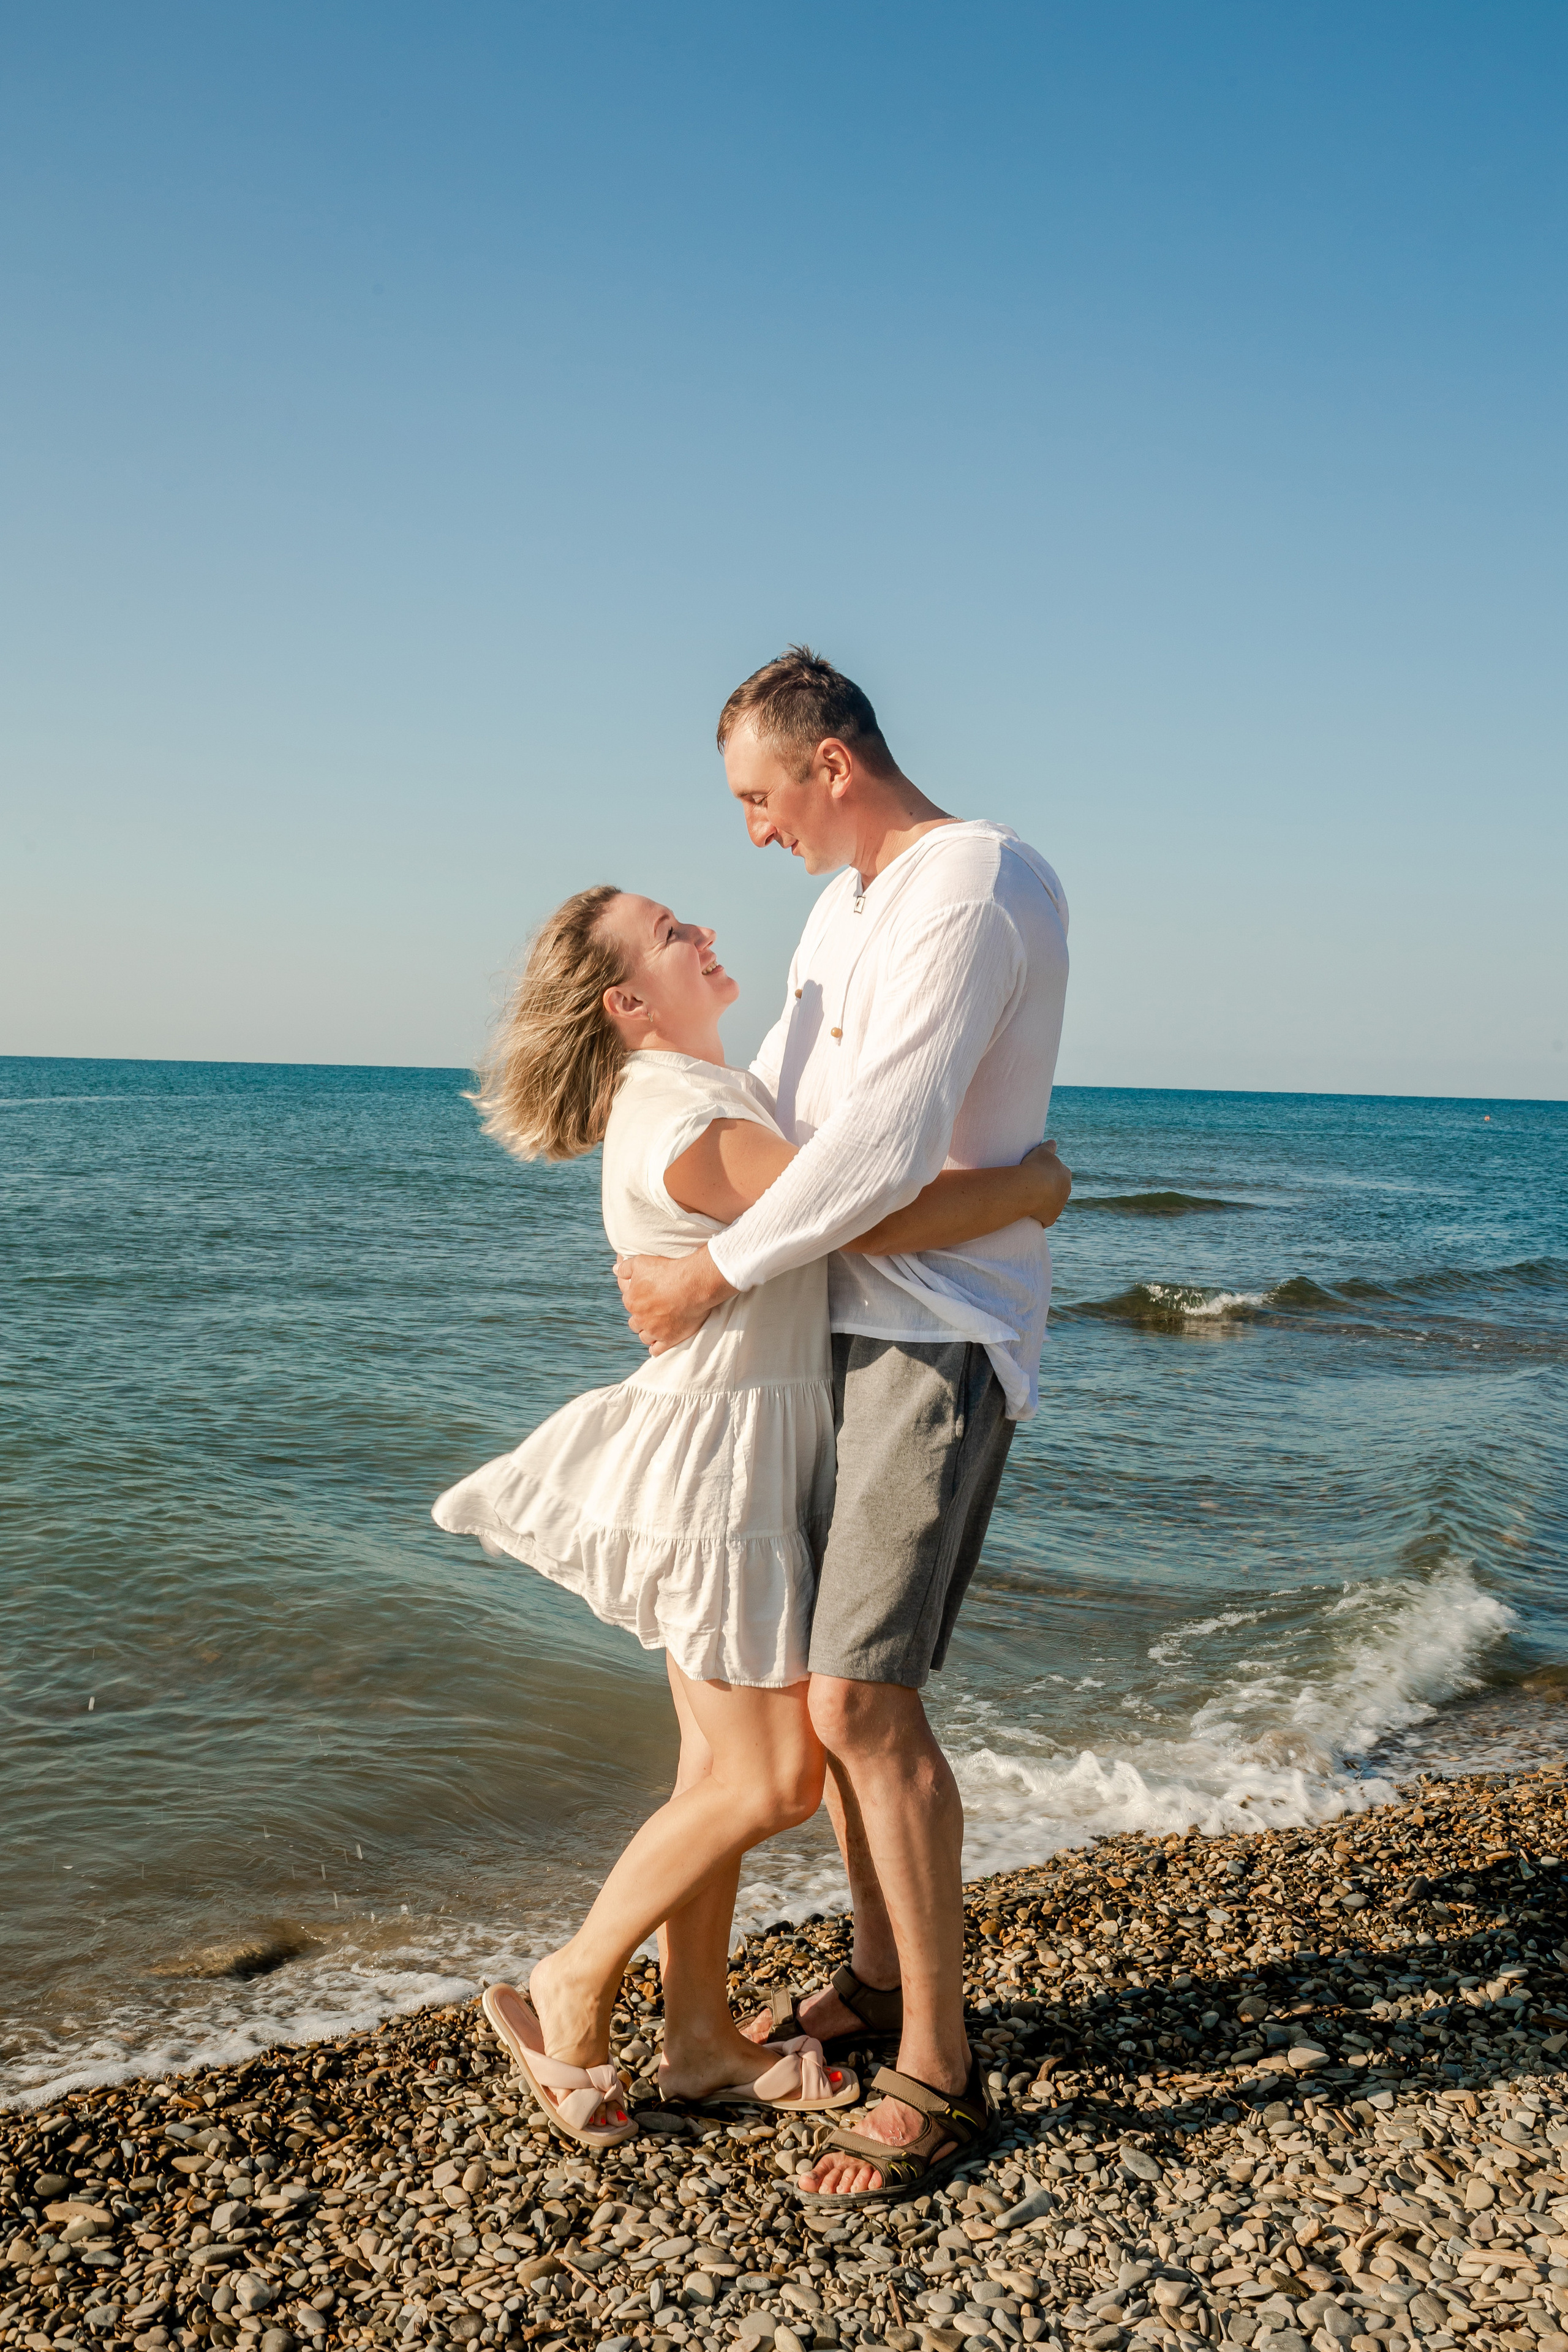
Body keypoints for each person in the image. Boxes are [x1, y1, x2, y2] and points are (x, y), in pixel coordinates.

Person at [432, 878, 1071, 2149]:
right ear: (627, 1001)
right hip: (718, 1474)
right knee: (775, 1778)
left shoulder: (700, 1100)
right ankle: (571, 1981)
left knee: (711, 1776)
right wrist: (1029, 1191)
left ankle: (699, 2046)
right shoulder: (683, 1114)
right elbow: (868, 1217)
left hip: (734, 1450)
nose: (703, 934)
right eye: (672, 936)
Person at [616, 648, 1071, 2202]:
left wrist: (709, 1278)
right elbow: (795, 1131)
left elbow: (868, 1153)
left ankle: (942, 2071)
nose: (750, 834)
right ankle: (880, 1984)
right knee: (828, 1707)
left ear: (829, 763)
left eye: (757, 796)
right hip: (839, 1332)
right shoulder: (840, 906)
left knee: (863, 1708)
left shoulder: (971, 883)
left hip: (930, 1338)